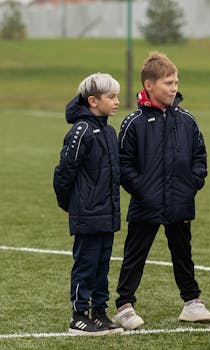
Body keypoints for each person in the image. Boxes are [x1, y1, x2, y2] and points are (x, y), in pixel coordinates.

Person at [112, 52, 210, 330]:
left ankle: (192, 303)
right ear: (149, 85)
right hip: (146, 203)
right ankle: (124, 305)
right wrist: (142, 189)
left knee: (183, 253)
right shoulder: (133, 122)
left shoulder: (187, 120)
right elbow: (123, 163)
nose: (175, 88)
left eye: (176, 82)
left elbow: (199, 156)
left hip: (180, 201)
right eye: (168, 83)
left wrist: (192, 183)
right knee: (135, 254)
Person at [53, 73, 123, 336]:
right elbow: (64, 172)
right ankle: (79, 317)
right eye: (111, 97)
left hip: (107, 213)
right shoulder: (81, 131)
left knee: (102, 264)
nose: (117, 101)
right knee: (86, 263)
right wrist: (70, 204)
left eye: (117, 96)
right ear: (93, 101)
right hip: (87, 212)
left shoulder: (108, 130)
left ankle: (100, 313)